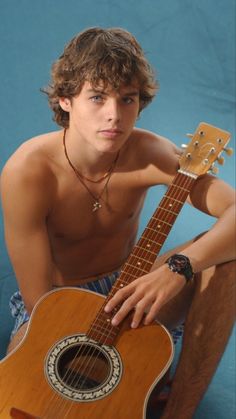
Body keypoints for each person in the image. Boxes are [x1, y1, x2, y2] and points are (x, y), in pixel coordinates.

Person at [0, 27, 235, 419]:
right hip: (52, 299)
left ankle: (178, 411)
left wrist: (180, 267)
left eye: (127, 99)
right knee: (20, 402)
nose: (114, 115)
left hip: (131, 286)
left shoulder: (149, 153)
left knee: (227, 262)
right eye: (97, 97)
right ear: (65, 99)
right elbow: (39, 303)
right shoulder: (28, 170)